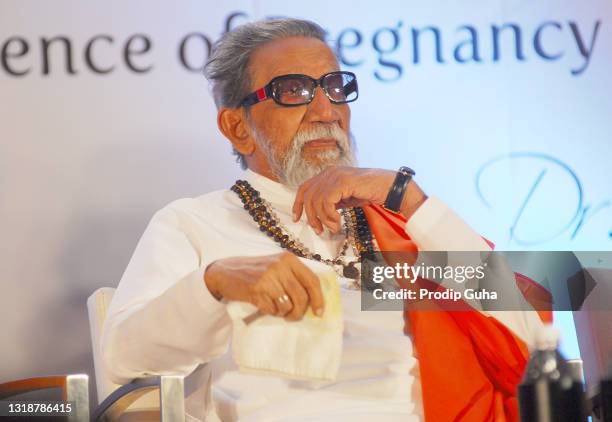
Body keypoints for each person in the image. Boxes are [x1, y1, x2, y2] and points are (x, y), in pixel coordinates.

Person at [101, 18, 548, 421]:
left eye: (335, 87)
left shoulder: (398, 227)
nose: (326, 111)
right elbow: (124, 357)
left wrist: (408, 199)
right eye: (293, 90)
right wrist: (213, 282)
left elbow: (531, 341)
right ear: (237, 126)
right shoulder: (193, 223)